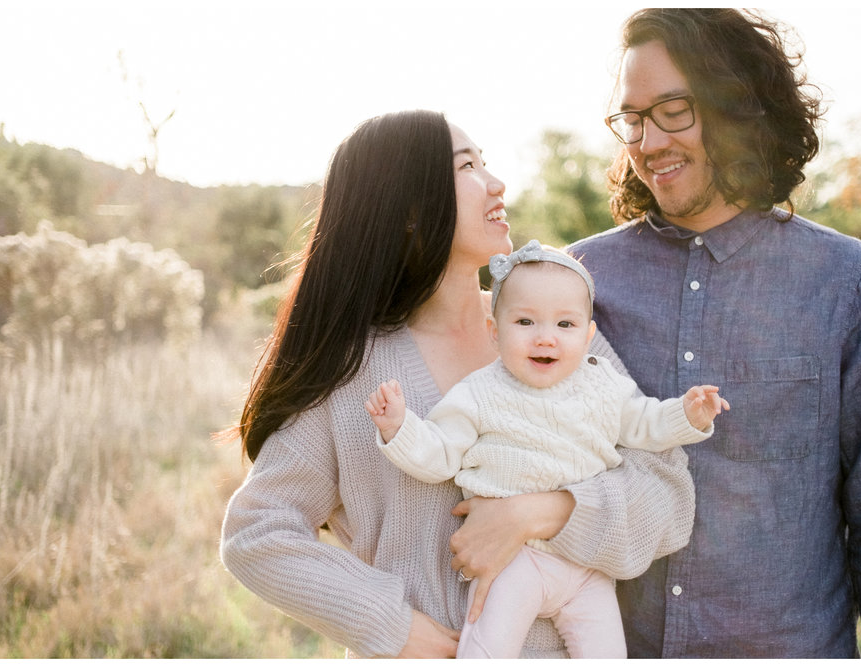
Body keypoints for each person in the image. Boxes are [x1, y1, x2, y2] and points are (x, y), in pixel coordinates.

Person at [219, 110, 697, 658]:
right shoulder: (355, 373)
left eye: (486, 162)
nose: (496, 183)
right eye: (467, 166)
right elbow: (257, 533)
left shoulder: (551, 331)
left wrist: (542, 512)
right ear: (409, 209)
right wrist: (393, 626)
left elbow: (667, 493)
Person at [568, 8, 861, 658]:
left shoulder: (847, 283)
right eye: (632, 117)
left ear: (737, 106)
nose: (648, 141)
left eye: (673, 110)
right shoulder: (577, 282)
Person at [364, 240, 727, 658]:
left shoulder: (603, 383)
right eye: (525, 322)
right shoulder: (479, 394)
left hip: (586, 562)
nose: (545, 339)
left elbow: (645, 423)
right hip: (514, 559)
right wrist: (400, 428)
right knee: (487, 649)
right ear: (494, 331)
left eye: (565, 325)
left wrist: (690, 414)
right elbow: (441, 453)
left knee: (608, 655)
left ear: (588, 335)